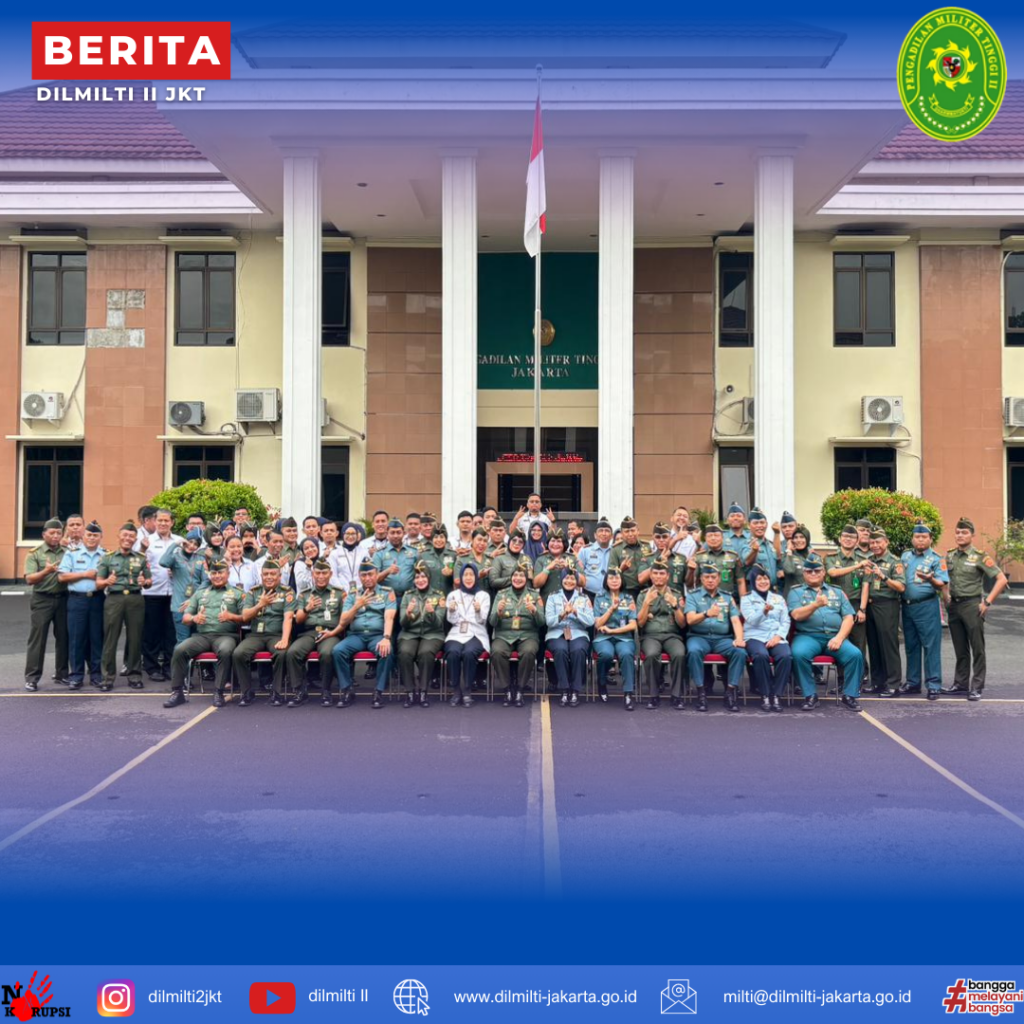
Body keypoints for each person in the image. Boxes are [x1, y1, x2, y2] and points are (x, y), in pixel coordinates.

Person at [163, 560, 245, 708]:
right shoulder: (200, 593)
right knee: (179, 650)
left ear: (228, 574)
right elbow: (185, 618)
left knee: (225, 650)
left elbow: (246, 618)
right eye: (214, 573)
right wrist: (194, 618)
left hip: (226, 635)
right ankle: (177, 692)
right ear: (209, 575)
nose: (217, 576)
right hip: (202, 636)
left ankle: (219, 691)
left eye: (220, 572)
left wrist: (231, 616)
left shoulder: (237, 593)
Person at [787, 554, 864, 712]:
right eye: (809, 571)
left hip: (834, 637)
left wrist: (839, 638)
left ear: (823, 572)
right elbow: (796, 615)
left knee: (855, 655)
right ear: (804, 573)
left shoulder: (837, 591)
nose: (813, 574)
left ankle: (850, 695)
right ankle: (810, 695)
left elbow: (849, 617)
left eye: (817, 570)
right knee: (798, 653)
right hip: (808, 636)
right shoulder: (795, 592)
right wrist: (815, 605)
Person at [945, 515, 1007, 700]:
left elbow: (1001, 579)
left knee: (977, 648)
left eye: (964, 532)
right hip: (954, 606)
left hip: (972, 605)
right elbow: (944, 580)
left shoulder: (980, 557)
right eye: (957, 532)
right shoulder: (950, 555)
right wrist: (946, 597)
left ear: (972, 535)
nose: (960, 535)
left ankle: (977, 686)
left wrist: (987, 602)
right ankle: (960, 683)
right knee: (960, 648)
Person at [96, 522, 153, 690]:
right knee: (110, 639)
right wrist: (107, 581)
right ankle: (107, 678)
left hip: (135, 599)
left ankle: (134, 675)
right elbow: (98, 583)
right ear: (119, 537)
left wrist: (145, 581)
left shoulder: (141, 558)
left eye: (131, 536)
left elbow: (149, 581)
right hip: (114, 599)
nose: (128, 538)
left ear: (135, 539)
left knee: (135, 639)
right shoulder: (107, 558)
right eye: (125, 535)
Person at [333, 560, 397, 708]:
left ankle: (378, 691)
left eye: (370, 574)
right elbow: (343, 621)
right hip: (356, 636)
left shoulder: (387, 592)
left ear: (377, 574)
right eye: (363, 575)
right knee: (338, 651)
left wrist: (386, 638)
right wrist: (356, 606)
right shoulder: (353, 594)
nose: (367, 578)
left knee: (386, 651)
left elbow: (389, 617)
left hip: (377, 635)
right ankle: (347, 690)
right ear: (359, 576)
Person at [232, 560, 296, 707]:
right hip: (256, 635)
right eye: (266, 574)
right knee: (238, 653)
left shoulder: (287, 592)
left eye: (273, 574)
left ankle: (277, 692)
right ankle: (247, 692)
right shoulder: (253, 592)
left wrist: (285, 639)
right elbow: (245, 616)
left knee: (281, 653)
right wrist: (260, 605)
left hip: (277, 634)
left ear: (279, 576)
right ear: (261, 576)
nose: (269, 577)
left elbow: (288, 618)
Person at [685, 564, 747, 712]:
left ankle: (730, 692)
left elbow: (735, 620)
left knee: (740, 652)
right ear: (701, 579)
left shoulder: (727, 597)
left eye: (713, 577)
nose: (710, 580)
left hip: (722, 639)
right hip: (699, 637)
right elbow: (690, 620)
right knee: (693, 651)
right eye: (707, 577)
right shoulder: (693, 596)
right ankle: (701, 693)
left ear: (719, 579)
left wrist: (739, 638)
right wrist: (706, 614)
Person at [901, 519, 950, 700]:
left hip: (927, 606)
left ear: (930, 539)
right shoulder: (905, 557)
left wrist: (930, 579)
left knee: (930, 646)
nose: (920, 540)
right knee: (911, 646)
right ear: (912, 539)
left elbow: (941, 583)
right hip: (907, 607)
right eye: (917, 536)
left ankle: (933, 684)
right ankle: (913, 682)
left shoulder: (937, 559)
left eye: (924, 537)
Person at [286, 559, 346, 708]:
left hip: (330, 633)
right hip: (310, 632)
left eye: (324, 573)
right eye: (318, 573)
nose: (321, 576)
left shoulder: (339, 593)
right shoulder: (304, 594)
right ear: (313, 574)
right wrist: (307, 608)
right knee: (293, 652)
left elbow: (345, 619)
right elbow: (298, 619)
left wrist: (333, 632)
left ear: (330, 574)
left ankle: (326, 690)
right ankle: (299, 691)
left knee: (326, 653)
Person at [490, 559, 545, 708]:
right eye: (515, 575)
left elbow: (542, 622)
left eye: (521, 576)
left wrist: (534, 611)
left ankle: (520, 688)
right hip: (504, 634)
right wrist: (498, 612)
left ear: (526, 578)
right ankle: (507, 688)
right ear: (511, 577)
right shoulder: (501, 594)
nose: (518, 578)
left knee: (529, 652)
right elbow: (492, 622)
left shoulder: (534, 595)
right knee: (497, 651)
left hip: (527, 635)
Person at [58, 519, 105, 690]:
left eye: (95, 535)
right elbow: (62, 576)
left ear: (100, 537)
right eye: (89, 535)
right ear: (84, 536)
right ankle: (76, 676)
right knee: (76, 638)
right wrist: (85, 574)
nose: (91, 538)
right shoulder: (72, 553)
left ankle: (96, 675)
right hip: (77, 600)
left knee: (96, 638)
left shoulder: (106, 555)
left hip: (98, 599)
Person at [136, 508, 181, 682]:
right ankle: (152, 667)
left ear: (172, 523)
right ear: (154, 522)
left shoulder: (179, 541)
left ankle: (170, 667)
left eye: (166, 520)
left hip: (174, 593)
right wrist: (142, 548)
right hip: (152, 592)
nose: (163, 523)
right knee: (152, 633)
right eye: (160, 520)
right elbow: (137, 562)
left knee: (171, 633)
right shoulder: (146, 541)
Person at [24, 517, 69, 691]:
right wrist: (46, 571)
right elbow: (30, 579)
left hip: (63, 599)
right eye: (52, 533)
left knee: (64, 638)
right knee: (38, 639)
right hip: (42, 599)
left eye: (59, 533)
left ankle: (62, 674)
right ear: (44, 535)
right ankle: (32, 678)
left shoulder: (67, 552)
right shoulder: (35, 553)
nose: (56, 536)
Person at [740, 564, 792, 712]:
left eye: (765, 578)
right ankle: (765, 694)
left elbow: (786, 620)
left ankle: (777, 694)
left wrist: (779, 636)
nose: (763, 582)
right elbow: (751, 620)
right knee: (760, 655)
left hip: (775, 635)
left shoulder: (778, 598)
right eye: (759, 579)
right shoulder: (746, 599)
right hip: (755, 636)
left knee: (786, 656)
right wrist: (763, 611)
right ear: (753, 581)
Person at [637, 559, 687, 710]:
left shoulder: (676, 595)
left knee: (679, 654)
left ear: (667, 576)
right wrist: (647, 603)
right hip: (650, 635)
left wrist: (675, 605)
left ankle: (676, 695)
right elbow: (640, 623)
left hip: (672, 635)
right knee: (651, 654)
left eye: (662, 573)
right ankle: (653, 695)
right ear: (651, 575)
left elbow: (682, 624)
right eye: (655, 573)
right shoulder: (643, 595)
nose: (658, 576)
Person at [397, 563, 447, 708]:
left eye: (423, 576)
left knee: (425, 653)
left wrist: (431, 613)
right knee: (405, 652)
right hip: (410, 633)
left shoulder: (439, 596)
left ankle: (423, 691)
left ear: (429, 578)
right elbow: (403, 623)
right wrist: (408, 614)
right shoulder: (408, 596)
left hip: (432, 634)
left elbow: (438, 623)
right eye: (417, 577)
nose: (420, 580)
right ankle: (410, 692)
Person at [864, 528, 906, 697]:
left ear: (886, 542)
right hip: (871, 605)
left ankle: (893, 684)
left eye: (878, 542)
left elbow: (901, 587)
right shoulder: (869, 560)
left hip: (887, 605)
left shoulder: (895, 562)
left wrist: (884, 576)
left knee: (889, 646)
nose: (875, 545)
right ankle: (877, 682)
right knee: (874, 646)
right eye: (872, 542)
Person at [825, 522, 871, 674]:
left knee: (858, 642)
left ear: (857, 541)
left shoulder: (862, 559)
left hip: (855, 605)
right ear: (839, 539)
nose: (848, 539)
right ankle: (841, 677)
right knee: (839, 641)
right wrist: (857, 566)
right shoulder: (831, 558)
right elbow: (832, 573)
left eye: (852, 537)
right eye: (845, 536)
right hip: (836, 606)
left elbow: (865, 586)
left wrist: (862, 609)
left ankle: (859, 676)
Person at [544, 568, 594, 706]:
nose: (569, 581)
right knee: (560, 650)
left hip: (578, 632)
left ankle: (575, 690)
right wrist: (562, 614)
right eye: (566, 578)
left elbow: (590, 621)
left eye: (572, 578)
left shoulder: (584, 598)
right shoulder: (552, 597)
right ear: (561, 580)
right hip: (556, 632)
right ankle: (564, 689)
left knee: (578, 650)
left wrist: (576, 612)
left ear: (576, 581)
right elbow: (549, 622)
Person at [444, 564, 490, 707]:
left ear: (476, 577)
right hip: (457, 632)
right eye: (465, 575)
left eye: (471, 574)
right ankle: (456, 690)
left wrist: (478, 610)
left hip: (476, 632)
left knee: (469, 652)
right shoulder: (453, 595)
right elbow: (451, 620)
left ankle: (467, 690)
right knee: (453, 652)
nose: (468, 578)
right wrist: (451, 611)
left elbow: (482, 620)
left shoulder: (483, 596)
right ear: (461, 577)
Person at [593, 567, 638, 710]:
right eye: (611, 578)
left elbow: (633, 625)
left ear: (622, 580)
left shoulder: (628, 598)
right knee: (606, 654)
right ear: (606, 581)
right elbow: (597, 624)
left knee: (626, 654)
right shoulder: (599, 597)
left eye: (617, 578)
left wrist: (613, 630)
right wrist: (611, 610)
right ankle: (602, 682)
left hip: (623, 637)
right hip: (604, 637)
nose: (614, 580)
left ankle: (628, 693)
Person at [159, 527, 206, 643]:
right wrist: (175, 544)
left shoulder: (201, 559)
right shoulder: (175, 557)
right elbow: (163, 562)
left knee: (197, 640)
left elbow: (205, 582)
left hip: (197, 605)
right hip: (179, 606)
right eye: (190, 542)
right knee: (182, 640)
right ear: (185, 541)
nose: (192, 546)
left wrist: (193, 600)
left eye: (196, 544)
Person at [688, 522, 742, 598]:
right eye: (710, 536)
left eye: (716, 535)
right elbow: (692, 582)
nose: (713, 538)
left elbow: (740, 581)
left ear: (722, 538)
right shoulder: (699, 557)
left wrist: (743, 602)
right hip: (704, 599)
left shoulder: (733, 556)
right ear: (705, 539)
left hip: (727, 599)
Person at [372, 518, 417, 605]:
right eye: (392, 533)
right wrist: (387, 571)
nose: (395, 536)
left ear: (404, 533)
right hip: (387, 598)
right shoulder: (379, 553)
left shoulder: (414, 552)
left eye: (398, 532)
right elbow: (373, 579)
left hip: (409, 597)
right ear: (387, 534)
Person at [639, 522, 687, 593]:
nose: (661, 540)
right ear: (653, 538)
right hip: (655, 597)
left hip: (676, 597)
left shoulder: (681, 558)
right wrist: (659, 560)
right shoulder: (648, 558)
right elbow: (641, 579)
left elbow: (690, 583)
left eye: (664, 537)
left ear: (670, 537)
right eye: (658, 537)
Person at [608, 516, 650, 598]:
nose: (630, 534)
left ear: (638, 531)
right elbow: (611, 574)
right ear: (622, 533)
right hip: (626, 591)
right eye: (626, 531)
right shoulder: (616, 549)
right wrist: (621, 569)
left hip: (645, 590)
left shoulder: (647, 546)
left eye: (633, 530)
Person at [532, 528, 578, 602]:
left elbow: (583, 582)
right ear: (548, 543)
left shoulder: (572, 558)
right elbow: (536, 584)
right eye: (552, 541)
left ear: (564, 544)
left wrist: (569, 567)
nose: (555, 544)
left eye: (559, 541)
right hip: (547, 602)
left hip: (569, 602)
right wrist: (548, 568)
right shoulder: (541, 559)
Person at [578, 518, 614, 601]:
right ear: (595, 535)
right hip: (589, 594)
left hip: (610, 594)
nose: (604, 533)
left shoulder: (615, 551)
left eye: (607, 531)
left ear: (612, 536)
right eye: (600, 531)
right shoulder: (585, 550)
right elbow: (579, 572)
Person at [778, 523, 815, 598]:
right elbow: (789, 570)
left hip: (810, 596)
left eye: (802, 537)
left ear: (807, 539)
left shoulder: (812, 556)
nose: (798, 540)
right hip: (793, 597)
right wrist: (789, 550)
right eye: (795, 537)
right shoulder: (788, 555)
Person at [454, 528, 495, 593]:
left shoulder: (491, 560)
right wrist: (477, 575)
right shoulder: (462, 560)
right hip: (469, 596)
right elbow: (457, 582)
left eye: (485, 541)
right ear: (472, 540)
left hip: (488, 597)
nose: (482, 543)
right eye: (479, 540)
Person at [329, 521, 366, 594]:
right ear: (343, 534)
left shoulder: (364, 552)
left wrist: (361, 588)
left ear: (357, 535)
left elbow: (367, 573)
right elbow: (333, 576)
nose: (350, 536)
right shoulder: (334, 553)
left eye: (353, 533)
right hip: (341, 592)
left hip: (361, 591)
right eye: (347, 533)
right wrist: (342, 591)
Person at [421, 524, 457, 595]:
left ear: (446, 539)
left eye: (442, 537)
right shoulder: (424, 555)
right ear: (432, 539)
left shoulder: (453, 555)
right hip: (429, 596)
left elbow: (458, 577)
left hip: (447, 595)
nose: (439, 540)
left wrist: (452, 573)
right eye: (436, 537)